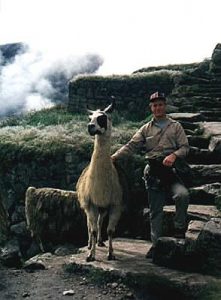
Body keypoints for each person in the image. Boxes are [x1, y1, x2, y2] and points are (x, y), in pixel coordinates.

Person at [111, 91, 190, 259]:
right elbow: (131, 146)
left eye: (160, 104)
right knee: (155, 210)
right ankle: (156, 245)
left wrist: (174, 155)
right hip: (153, 171)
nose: (158, 108)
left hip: (172, 170)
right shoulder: (145, 129)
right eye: (155, 105)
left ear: (165, 106)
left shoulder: (175, 126)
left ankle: (179, 229)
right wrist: (114, 157)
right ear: (151, 108)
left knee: (182, 195)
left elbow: (185, 147)